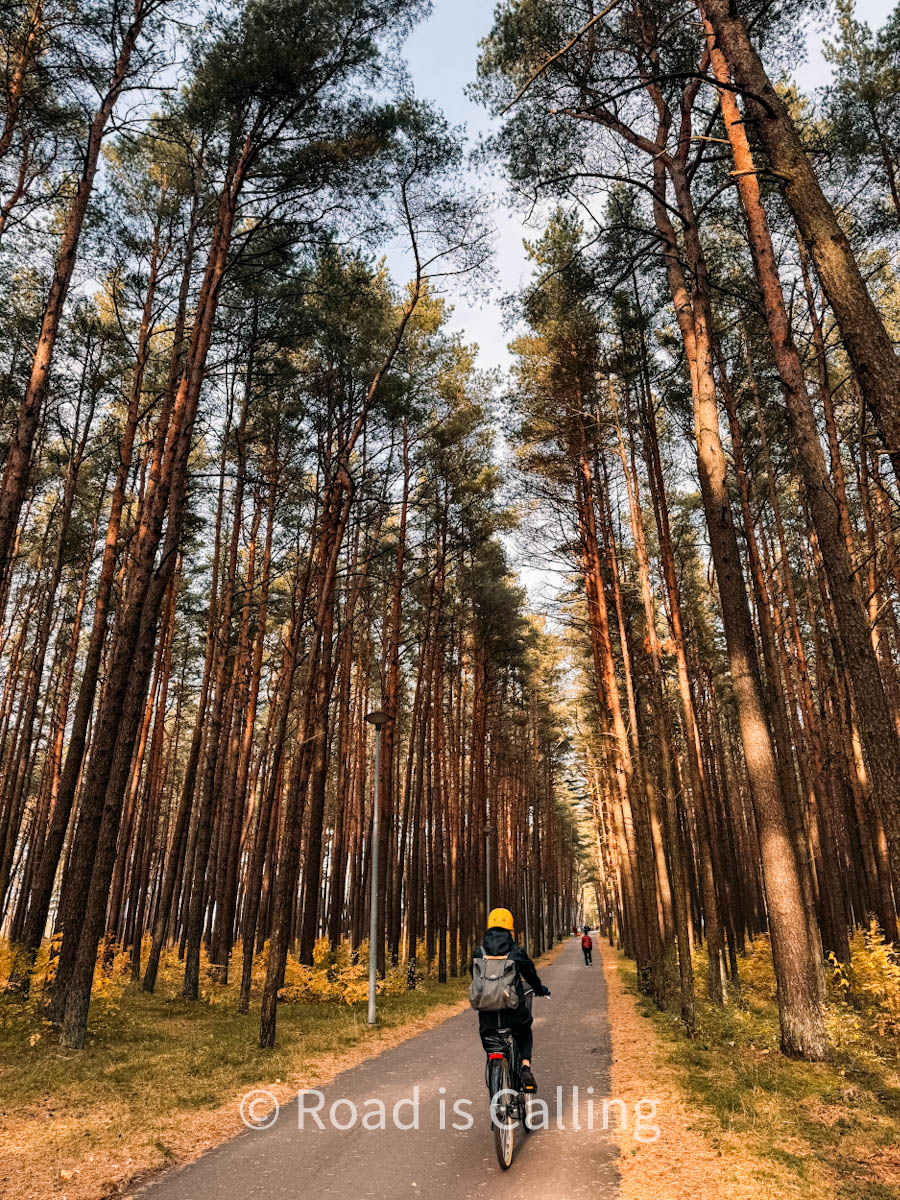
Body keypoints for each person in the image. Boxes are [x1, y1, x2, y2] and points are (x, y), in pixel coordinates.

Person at [471, 907, 550, 1093]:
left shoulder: (478, 953)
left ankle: (496, 1062)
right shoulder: (516, 952)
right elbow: (530, 974)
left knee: (490, 1039)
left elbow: (474, 978)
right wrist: (539, 989)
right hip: (514, 1014)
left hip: (487, 1017)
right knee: (524, 1030)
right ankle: (524, 1067)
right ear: (510, 929)